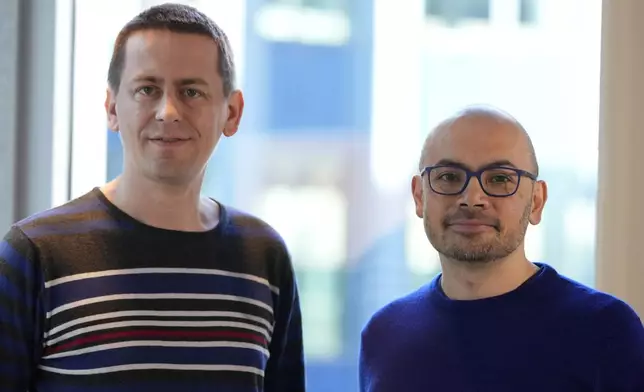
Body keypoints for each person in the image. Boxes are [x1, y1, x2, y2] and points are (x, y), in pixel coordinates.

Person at [0, 3, 305, 392]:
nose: (168, 111)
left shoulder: (264, 256)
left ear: (232, 112)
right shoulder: (36, 254)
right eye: (147, 89)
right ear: (112, 108)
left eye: (191, 91)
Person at [358, 105, 644, 392]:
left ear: (536, 201)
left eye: (499, 178)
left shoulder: (605, 332)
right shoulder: (383, 334)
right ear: (419, 196)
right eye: (448, 177)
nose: (472, 199)